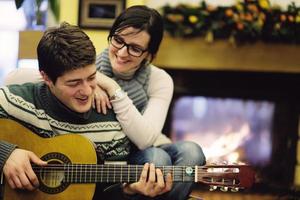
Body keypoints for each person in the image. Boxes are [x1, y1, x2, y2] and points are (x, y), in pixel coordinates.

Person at [4, 6, 206, 200]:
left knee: (182, 154)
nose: (122, 52)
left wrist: (111, 88)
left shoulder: (157, 81)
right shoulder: (83, 59)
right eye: (118, 40)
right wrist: (7, 154)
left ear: (150, 56)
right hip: (121, 147)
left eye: (135, 48)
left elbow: (144, 140)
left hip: (139, 145)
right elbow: (17, 77)